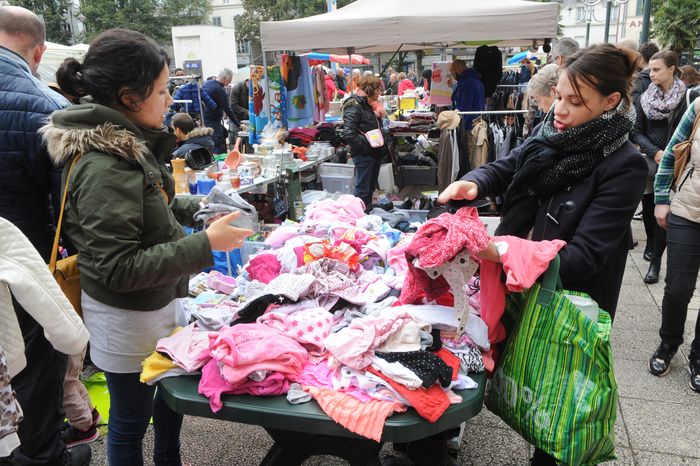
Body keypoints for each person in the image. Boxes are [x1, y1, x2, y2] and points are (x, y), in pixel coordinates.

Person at [49, 28, 253, 466]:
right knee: (129, 421)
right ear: (129, 97)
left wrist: (200, 206)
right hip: (127, 317)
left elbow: (153, 201)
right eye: (162, 91)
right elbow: (117, 267)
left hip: (158, 303)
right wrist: (205, 244)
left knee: (168, 402)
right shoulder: (105, 163)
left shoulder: (128, 144)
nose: (168, 100)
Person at [438, 44, 646, 464]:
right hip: (517, 275)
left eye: (576, 102)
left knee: (557, 390)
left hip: (570, 296)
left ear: (611, 103)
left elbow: (583, 257)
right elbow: (512, 164)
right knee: (506, 359)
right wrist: (474, 183)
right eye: (562, 95)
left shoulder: (625, 164)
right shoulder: (553, 128)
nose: (562, 110)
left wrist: (500, 250)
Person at [0, 6, 92, 465]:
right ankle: (40, 455)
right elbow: (69, 212)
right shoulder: (49, 106)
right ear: (38, 51)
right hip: (26, 262)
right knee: (36, 358)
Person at [0, 216, 90, 462]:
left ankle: (30, 447)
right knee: (39, 366)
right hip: (33, 254)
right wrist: (74, 337)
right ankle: (46, 454)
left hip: (28, 253)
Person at [650, 94, 700, 389]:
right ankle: (669, 343)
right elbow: (670, 154)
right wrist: (660, 199)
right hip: (687, 210)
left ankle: (699, 354)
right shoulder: (698, 106)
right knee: (678, 289)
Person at [630, 50, 689, 284]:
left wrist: (671, 154)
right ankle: (653, 249)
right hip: (652, 159)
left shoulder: (687, 97)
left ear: (672, 69)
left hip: (677, 162)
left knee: (665, 208)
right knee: (649, 206)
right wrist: (655, 152)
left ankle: (655, 260)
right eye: (650, 69)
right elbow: (636, 130)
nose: (651, 74)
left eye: (656, 69)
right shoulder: (645, 97)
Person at [342, 75, 387, 207]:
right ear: (369, 89)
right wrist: (365, 148)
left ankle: (367, 214)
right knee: (362, 189)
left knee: (370, 188)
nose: (380, 92)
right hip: (364, 154)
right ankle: (358, 217)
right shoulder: (354, 105)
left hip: (374, 152)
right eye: (378, 89)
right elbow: (349, 133)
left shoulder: (367, 105)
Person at [202, 68, 241, 154]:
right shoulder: (219, 90)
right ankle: (220, 164)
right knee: (217, 145)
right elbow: (227, 109)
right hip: (213, 121)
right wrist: (238, 124)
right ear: (224, 78)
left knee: (209, 144)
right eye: (229, 80)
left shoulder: (207, 84)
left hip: (204, 119)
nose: (229, 83)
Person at [449, 59, 485, 130]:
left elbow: (465, 107)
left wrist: (459, 125)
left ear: (458, 71)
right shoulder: (475, 81)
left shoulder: (467, 83)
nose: (453, 77)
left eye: (452, 73)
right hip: (476, 121)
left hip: (469, 125)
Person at [227, 79, 249, 146]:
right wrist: (247, 112)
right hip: (235, 119)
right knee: (236, 142)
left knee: (247, 142)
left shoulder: (254, 88)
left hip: (248, 119)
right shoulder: (237, 87)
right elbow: (233, 105)